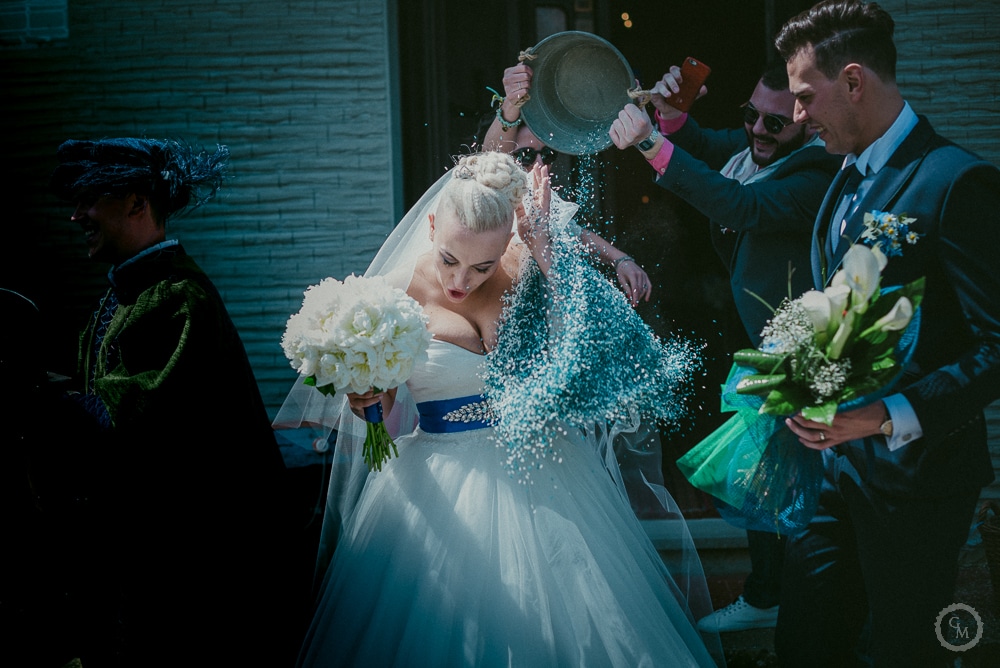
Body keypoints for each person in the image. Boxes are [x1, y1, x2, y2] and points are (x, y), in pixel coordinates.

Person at [281, 151, 724, 666]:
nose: (461, 282)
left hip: (550, 470)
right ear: (429, 226)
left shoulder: (530, 264)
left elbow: (604, 351)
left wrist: (547, 254)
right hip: (437, 474)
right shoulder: (388, 295)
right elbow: (381, 402)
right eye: (450, 260)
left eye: (482, 267)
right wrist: (367, 400)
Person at [770, 2, 1000, 665]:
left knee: (908, 651)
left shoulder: (957, 182)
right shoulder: (843, 175)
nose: (796, 117)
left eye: (805, 97)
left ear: (852, 82)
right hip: (833, 472)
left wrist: (885, 416)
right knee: (805, 645)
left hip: (919, 480)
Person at [45, 138, 301, 666]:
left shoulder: (176, 299)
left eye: (90, 198)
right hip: (149, 560)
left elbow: (129, 423)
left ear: (137, 203)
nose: (77, 215)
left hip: (193, 570)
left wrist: (35, 394)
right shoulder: (128, 294)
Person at [607, 62, 840, 633]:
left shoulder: (815, 171)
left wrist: (653, 143)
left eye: (774, 123)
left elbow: (740, 206)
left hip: (800, 348)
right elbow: (714, 146)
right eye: (750, 115)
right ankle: (769, 594)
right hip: (759, 335)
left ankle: (794, 604)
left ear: (808, 124)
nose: (757, 131)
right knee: (766, 472)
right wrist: (676, 114)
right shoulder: (761, 144)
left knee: (791, 481)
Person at [481, 60, 653, 308]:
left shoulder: (540, 197)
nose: (540, 163)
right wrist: (511, 104)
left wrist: (620, 259)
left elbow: (575, 234)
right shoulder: (490, 195)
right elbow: (492, 153)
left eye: (548, 154)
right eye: (526, 156)